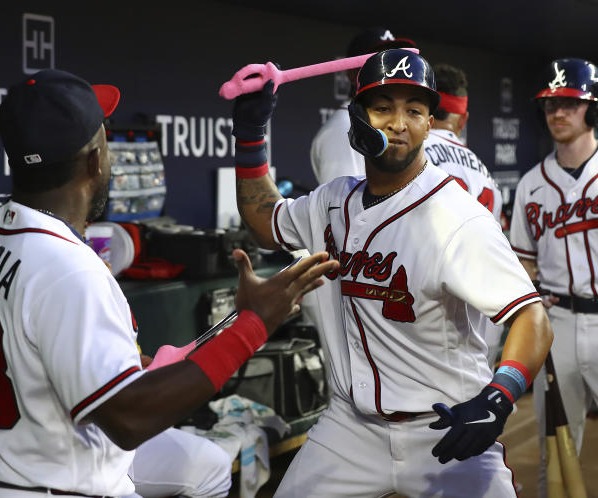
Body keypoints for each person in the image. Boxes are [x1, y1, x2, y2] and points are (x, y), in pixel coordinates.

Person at [0, 68, 339, 498]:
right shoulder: (68, 269)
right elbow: (130, 420)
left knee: (207, 464)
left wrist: (230, 326)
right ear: (95, 159)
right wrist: (253, 326)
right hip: (52, 484)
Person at [231, 49, 553, 497]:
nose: (399, 123)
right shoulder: (331, 202)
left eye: (415, 111)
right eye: (383, 108)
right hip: (349, 428)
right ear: (356, 117)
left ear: (429, 123)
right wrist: (249, 136)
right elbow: (265, 219)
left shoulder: (455, 216)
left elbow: (531, 317)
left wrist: (498, 397)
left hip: (443, 423)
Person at [509, 57, 598, 498]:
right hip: (558, 322)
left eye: (569, 103)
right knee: (555, 448)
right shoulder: (531, 185)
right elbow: (523, 263)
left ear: (591, 109)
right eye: (550, 105)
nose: (558, 113)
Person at [424, 63, 505, 369]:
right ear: (463, 119)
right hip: (479, 312)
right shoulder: (484, 173)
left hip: (427, 308)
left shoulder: (407, 157)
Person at [310, 27, 417, 185]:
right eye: (380, 62)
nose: (392, 71)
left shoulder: (378, 122)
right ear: (353, 73)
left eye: (395, 61)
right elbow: (344, 206)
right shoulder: (344, 129)